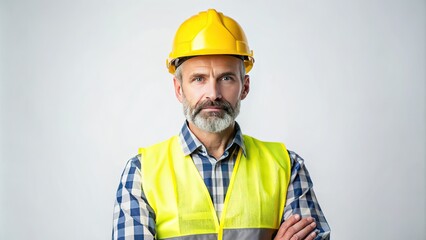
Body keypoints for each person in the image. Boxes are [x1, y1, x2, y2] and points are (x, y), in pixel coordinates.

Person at [112, 9, 331, 240]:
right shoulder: (142, 173)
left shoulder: (287, 167)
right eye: (199, 79)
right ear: (179, 89)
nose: (213, 94)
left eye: (226, 78)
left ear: (245, 87)